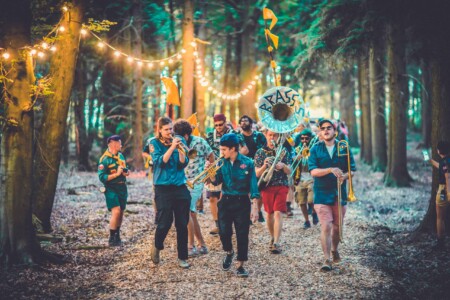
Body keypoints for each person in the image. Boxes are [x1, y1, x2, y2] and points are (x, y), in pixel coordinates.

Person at [308, 119, 356, 271]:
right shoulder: (315, 149)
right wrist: (330, 169)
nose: (326, 130)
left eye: (329, 128)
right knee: (326, 226)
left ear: (335, 131)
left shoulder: (344, 147)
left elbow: (352, 170)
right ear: (320, 132)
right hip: (321, 194)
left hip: (339, 194)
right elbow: (313, 171)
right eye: (323, 128)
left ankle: (335, 250)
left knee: (337, 227)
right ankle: (327, 259)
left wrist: (345, 176)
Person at [210, 133, 260, 277]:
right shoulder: (221, 162)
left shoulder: (248, 163)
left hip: (242, 202)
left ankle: (240, 265)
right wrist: (212, 174)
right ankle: (229, 251)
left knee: (242, 234)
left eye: (224, 149)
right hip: (225, 201)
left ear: (233, 149)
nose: (221, 152)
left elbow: (253, 186)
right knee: (224, 231)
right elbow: (216, 181)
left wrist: (254, 207)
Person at [149, 117, 191, 269]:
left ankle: (182, 257)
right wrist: (172, 147)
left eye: (171, 129)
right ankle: (157, 245)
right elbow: (160, 162)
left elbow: (183, 163)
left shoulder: (179, 140)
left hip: (179, 186)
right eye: (166, 129)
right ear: (159, 130)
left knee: (182, 224)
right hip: (163, 187)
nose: (169, 132)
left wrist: (181, 151)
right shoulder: (153, 143)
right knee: (165, 222)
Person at [173, 119, 214, 256]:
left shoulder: (200, 142)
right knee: (191, 213)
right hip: (181, 181)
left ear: (185, 135)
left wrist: (210, 174)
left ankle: (191, 246)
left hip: (196, 181)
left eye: (179, 135)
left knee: (188, 212)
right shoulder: (176, 143)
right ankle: (202, 245)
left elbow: (211, 155)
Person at [205, 113, 247, 235]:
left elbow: (245, 149)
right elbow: (206, 151)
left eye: (221, 124)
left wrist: (234, 158)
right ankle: (218, 225)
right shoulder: (209, 135)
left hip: (230, 167)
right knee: (213, 197)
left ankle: (228, 223)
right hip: (215, 167)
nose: (218, 127)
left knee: (226, 197)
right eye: (216, 125)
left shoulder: (235, 133)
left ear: (225, 122)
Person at [254, 130, 292, 254]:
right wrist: (265, 166)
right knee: (269, 214)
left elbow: (289, 170)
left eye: (274, 135)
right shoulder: (260, 152)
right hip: (267, 185)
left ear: (278, 137)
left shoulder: (283, 151)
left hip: (281, 185)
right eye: (270, 135)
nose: (272, 138)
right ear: (266, 135)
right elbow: (256, 173)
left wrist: (283, 166)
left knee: (278, 213)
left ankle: (276, 242)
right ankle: (272, 237)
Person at [98, 135, 130, 247]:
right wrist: (116, 174)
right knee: (116, 211)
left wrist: (126, 172)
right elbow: (102, 178)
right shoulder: (104, 160)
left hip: (122, 187)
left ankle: (117, 235)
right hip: (111, 188)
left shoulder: (120, 156)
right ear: (113, 143)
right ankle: (111, 238)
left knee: (121, 212)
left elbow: (124, 168)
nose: (121, 145)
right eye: (119, 143)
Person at [238, 115, 267, 222]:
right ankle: (248, 214)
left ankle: (258, 211)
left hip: (258, 166)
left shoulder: (259, 135)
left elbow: (265, 149)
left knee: (258, 189)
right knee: (245, 191)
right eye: (241, 121)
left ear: (250, 123)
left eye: (245, 121)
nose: (243, 123)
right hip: (243, 166)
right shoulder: (238, 137)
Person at [293, 129, 319, 229]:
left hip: (312, 178)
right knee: (302, 202)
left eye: (306, 138)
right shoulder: (296, 149)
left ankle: (314, 212)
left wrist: (310, 155)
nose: (304, 140)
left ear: (310, 138)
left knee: (311, 200)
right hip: (299, 178)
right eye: (302, 138)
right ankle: (307, 221)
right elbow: (291, 159)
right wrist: (296, 158)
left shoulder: (314, 148)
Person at [430, 141, 450, 250]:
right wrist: (428, 158)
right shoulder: (446, 161)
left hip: (444, 190)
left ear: (439, 151)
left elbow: (447, 176)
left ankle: (440, 242)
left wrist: (448, 192)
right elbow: (440, 166)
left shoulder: (445, 162)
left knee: (440, 217)